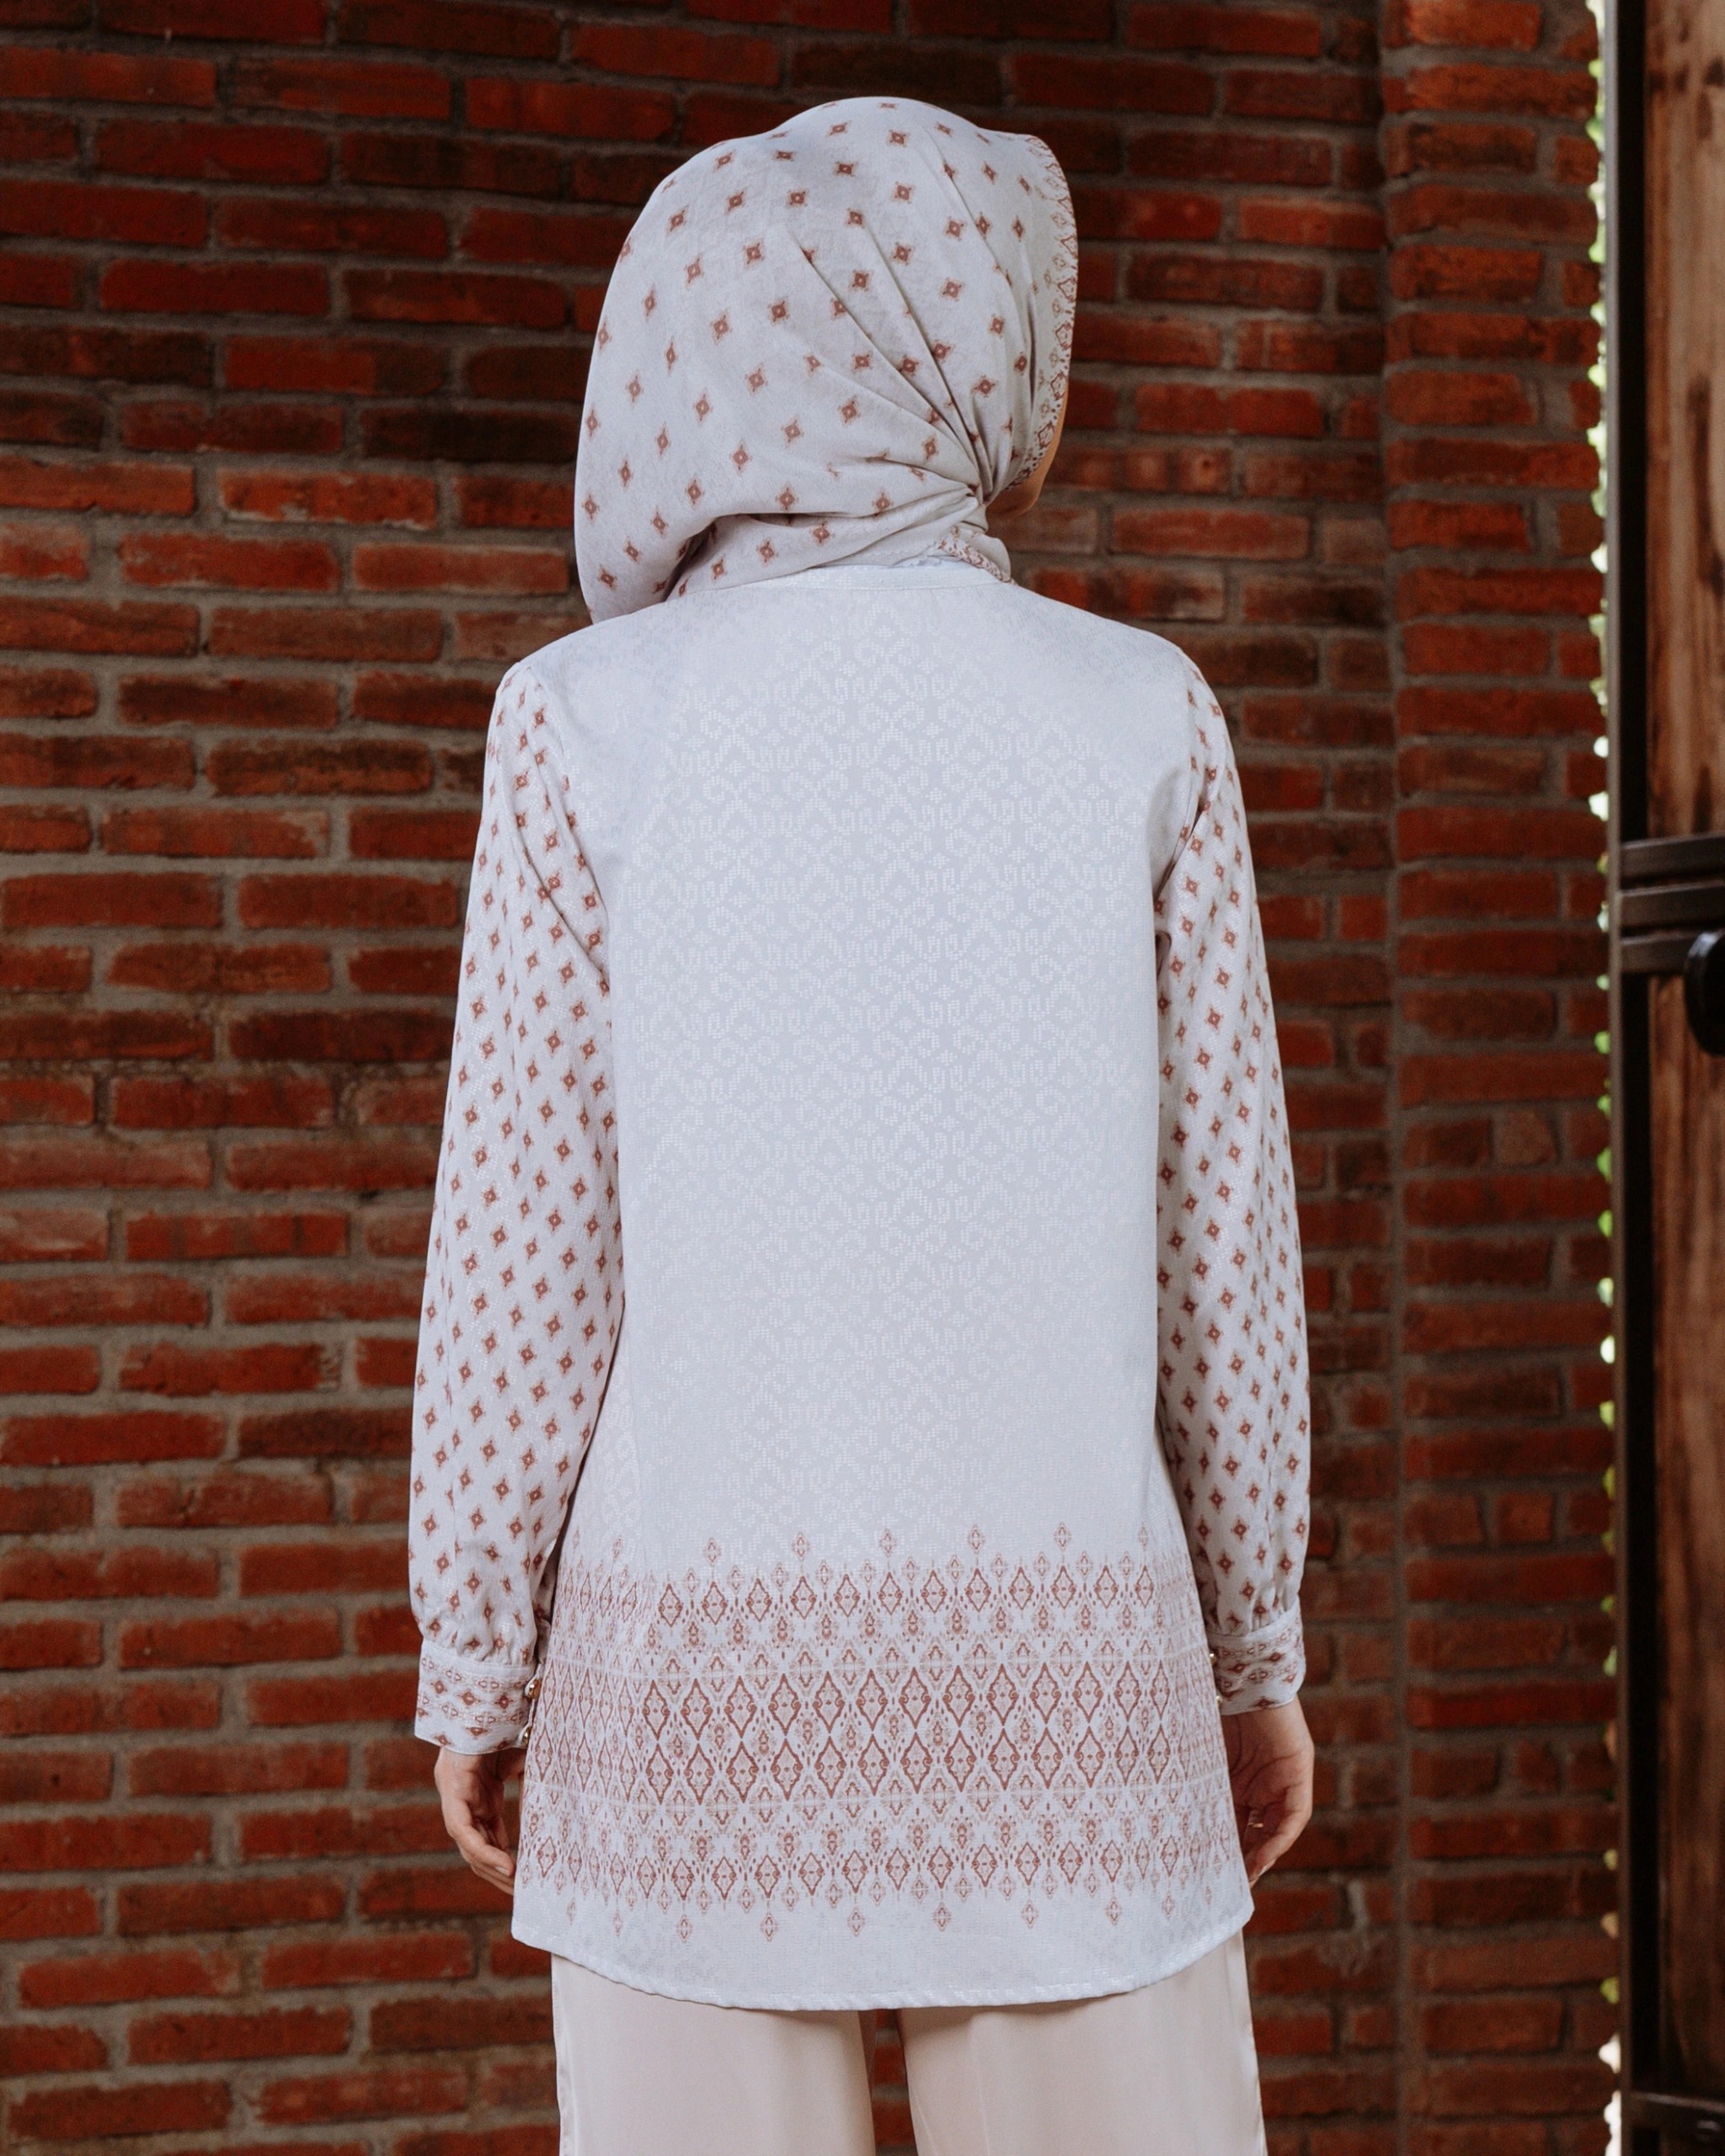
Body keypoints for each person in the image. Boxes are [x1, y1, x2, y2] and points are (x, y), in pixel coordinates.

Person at [408, 95, 1314, 2156]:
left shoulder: (583, 718)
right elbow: (1224, 1260)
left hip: (687, 1693)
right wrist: (1252, 1647)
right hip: (1077, 1688)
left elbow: (525, 1257)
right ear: (969, 334)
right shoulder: (1140, 709)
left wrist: (478, 1661)